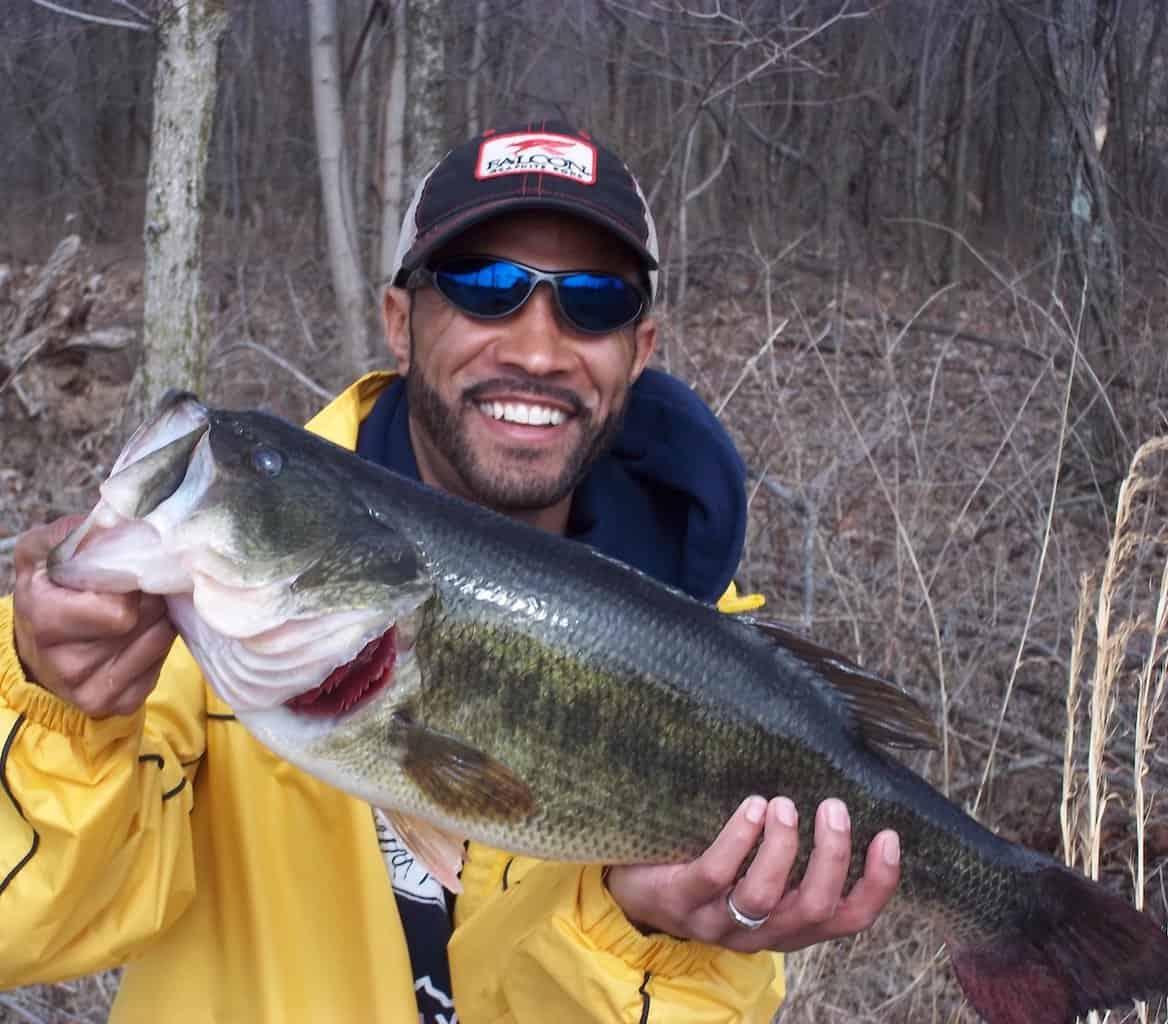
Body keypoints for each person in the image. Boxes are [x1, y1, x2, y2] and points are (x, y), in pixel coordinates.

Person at [1, 120, 900, 1022]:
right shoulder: (194, 623)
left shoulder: (728, 673)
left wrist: (648, 936)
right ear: (401, 321)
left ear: (641, 348)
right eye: (486, 287)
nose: (538, 349)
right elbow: (21, 930)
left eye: (594, 301)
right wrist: (54, 711)